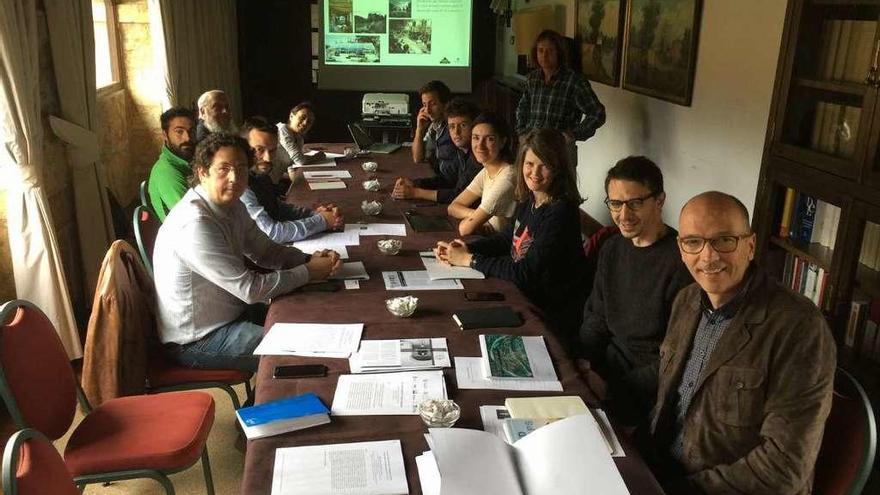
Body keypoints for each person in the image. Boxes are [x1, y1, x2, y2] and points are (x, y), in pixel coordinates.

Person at [650, 191, 836, 494]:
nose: (708, 257)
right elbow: (673, 383)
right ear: (681, 249)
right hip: (663, 469)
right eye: (693, 242)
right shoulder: (687, 300)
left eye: (724, 240)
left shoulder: (800, 328)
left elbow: (783, 467)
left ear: (750, 246)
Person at [152, 133, 342, 373]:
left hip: (233, 312)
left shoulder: (233, 205)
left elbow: (265, 251)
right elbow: (250, 290)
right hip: (198, 339)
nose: (234, 178)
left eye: (241, 169)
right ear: (202, 173)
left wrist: (309, 259)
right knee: (306, 349)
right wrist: (308, 272)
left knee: (314, 320)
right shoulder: (194, 224)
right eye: (223, 169)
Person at [434, 129, 589, 342]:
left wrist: (470, 260)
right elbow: (506, 239)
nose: (535, 172)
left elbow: (525, 272)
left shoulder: (561, 212)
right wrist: (466, 249)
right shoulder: (530, 198)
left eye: (544, 165)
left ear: (558, 168)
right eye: (529, 164)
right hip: (521, 293)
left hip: (549, 313)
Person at [579, 156, 692, 424]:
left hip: (645, 391)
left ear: (660, 200)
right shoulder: (612, 248)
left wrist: (612, 390)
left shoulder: (683, 263)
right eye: (616, 203)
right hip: (602, 372)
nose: (623, 215)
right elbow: (596, 318)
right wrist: (581, 363)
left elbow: (676, 361)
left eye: (635, 203)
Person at [240, 117, 344, 243]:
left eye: (272, 150)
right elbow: (272, 233)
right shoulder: (239, 185)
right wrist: (323, 221)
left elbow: (276, 209)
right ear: (243, 149)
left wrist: (316, 215)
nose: (267, 158)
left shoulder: (259, 174)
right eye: (259, 150)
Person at [515, 29, 605, 168]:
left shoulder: (574, 81)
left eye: (550, 51)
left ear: (559, 53)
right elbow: (523, 107)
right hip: (533, 146)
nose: (544, 55)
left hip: (560, 151)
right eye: (540, 50)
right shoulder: (532, 78)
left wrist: (573, 134)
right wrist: (522, 132)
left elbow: (597, 113)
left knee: (562, 189)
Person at [392, 97, 481, 204]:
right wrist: (415, 183)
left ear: (475, 126)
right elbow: (449, 181)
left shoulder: (479, 155)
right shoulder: (462, 150)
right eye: (452, 126)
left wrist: (416, 192)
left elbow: (460, 195)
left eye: (463, 125)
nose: (456, 132)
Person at [447, 112, 517, 236]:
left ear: (503, 142)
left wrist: (476, 220)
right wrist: (478, 216)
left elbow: (465, 229)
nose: (480, 145)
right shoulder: (487, 170)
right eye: (476, 137)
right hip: (492, 239)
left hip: (505, 249)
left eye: (489, 138)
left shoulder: (508, 177)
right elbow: (452, 207)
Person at [148, 107, 196, 221]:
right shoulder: (166, 172)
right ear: (165, 135)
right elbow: (191, 217)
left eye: (192, 131)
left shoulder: (188, 160)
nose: (187, 138)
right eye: (179, 131)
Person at [411, 80, 455, 177]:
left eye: (433, 104)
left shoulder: (453, 128)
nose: (427, 111)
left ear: (446, 104)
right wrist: (419, 129)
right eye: (424, 105)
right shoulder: (434, 126)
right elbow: (417, 158)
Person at [275, 102, 326, 172]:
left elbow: (295, 161)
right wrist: (317, 157)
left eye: (309, 121)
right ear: (291, 116)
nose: (305, 123)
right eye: (302, 117)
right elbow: (300, 160)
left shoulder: (299, 138)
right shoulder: (283, 129)